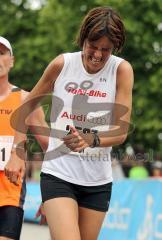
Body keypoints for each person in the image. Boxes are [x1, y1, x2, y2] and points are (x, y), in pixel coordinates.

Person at [5, 6, 134, 240]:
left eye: (105, 50)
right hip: (59, 174)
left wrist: (92, 139)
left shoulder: (121, 70)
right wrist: (17, 151)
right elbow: (26, 107)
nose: (97, 55)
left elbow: (121, 130)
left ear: (114, 47)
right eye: (92, 47)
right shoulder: (62, 64)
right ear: (83, 40)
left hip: (97, 181)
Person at [0, 36, 49, 240]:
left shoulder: (25, 100)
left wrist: (50, 195)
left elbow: (51, 148)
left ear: (12, 60)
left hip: (9, 196)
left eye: (2, 53)